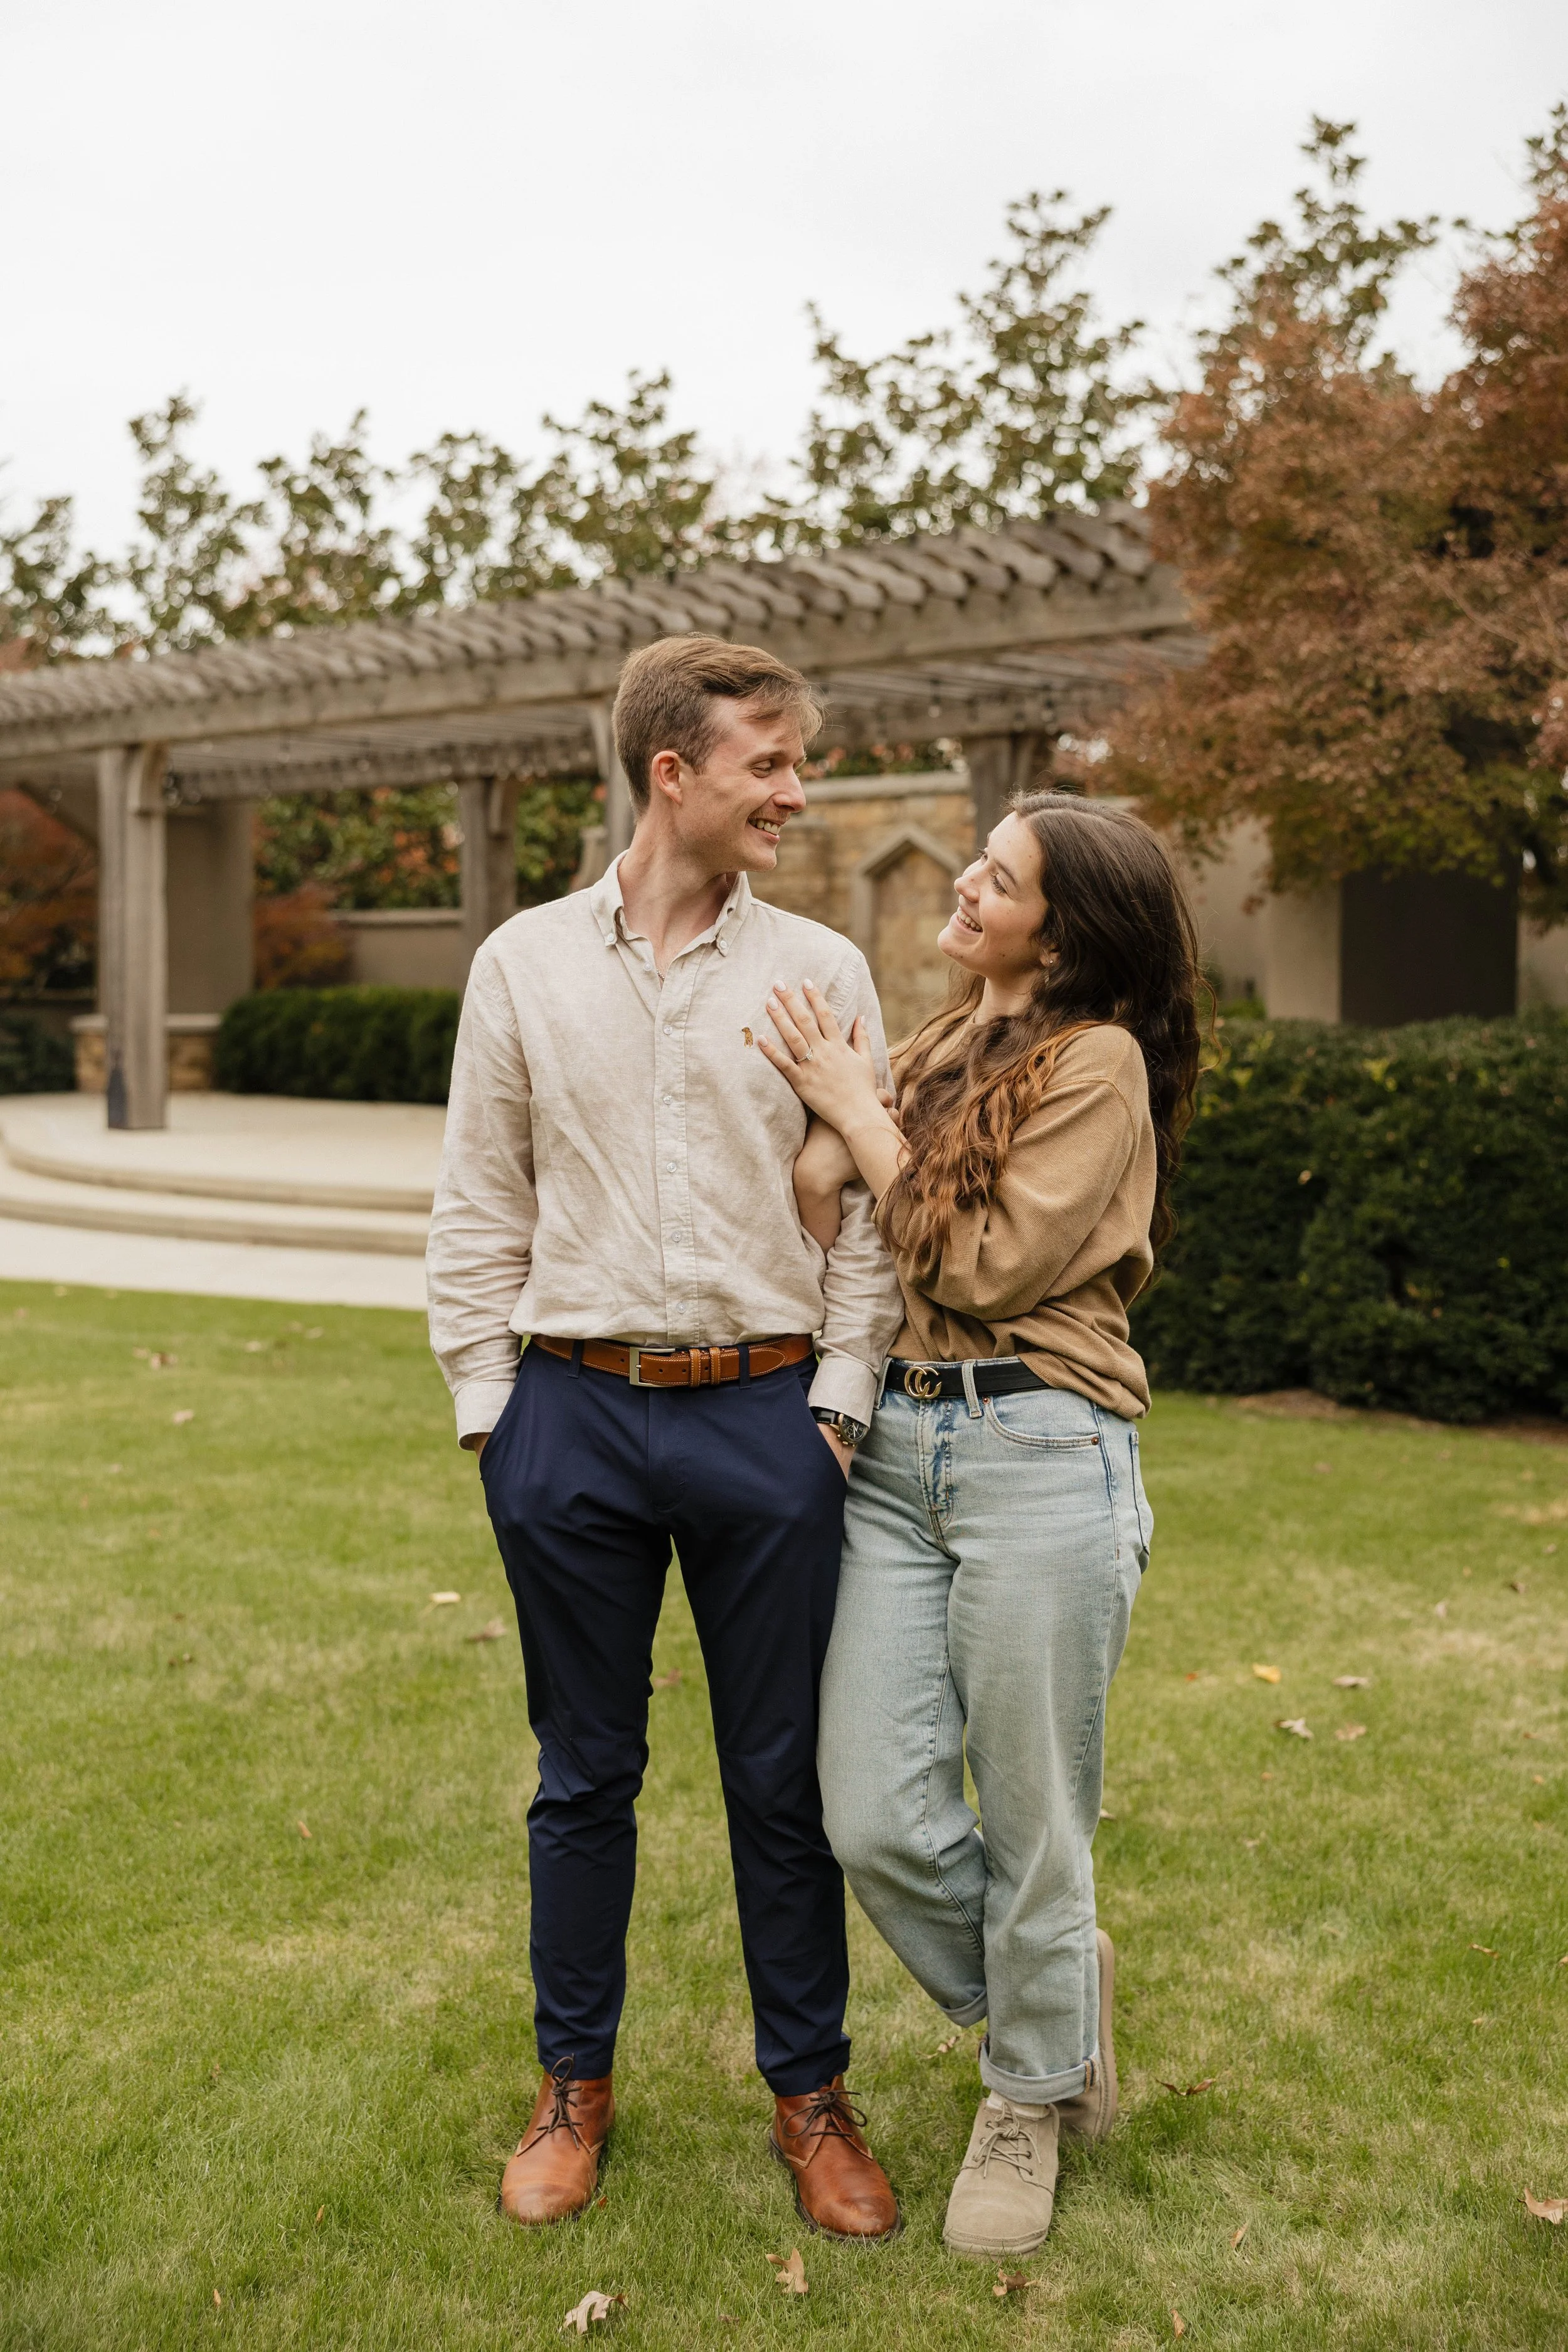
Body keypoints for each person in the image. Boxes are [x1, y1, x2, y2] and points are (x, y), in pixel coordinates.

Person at [426, 635, 905, 2238]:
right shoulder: (520, 966)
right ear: (671, 773)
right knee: (583, 1779)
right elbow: (480, 1202)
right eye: (768, 762)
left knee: (784, 1782)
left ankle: (811, 2099)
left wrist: (833, 1411)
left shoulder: (821, 971)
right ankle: (574, 2090)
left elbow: (870, 1211)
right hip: (567, 1419)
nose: (796, 788)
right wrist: (493, 1414)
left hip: (772, 1418)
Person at [757, 790, 1202, 2260]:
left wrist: (858, 1119)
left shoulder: (1098, 1063)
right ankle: (1057, 2003)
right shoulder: (947, 1040)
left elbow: (981, 1258)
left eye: (996, 876)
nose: (963, 882)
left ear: (1059, 927)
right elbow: (835, 1199)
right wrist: (847, 1122)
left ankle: (1024, 2095)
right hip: (894, 1446)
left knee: (1029, 1814)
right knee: (871, 1812)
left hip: (1037, 1445)